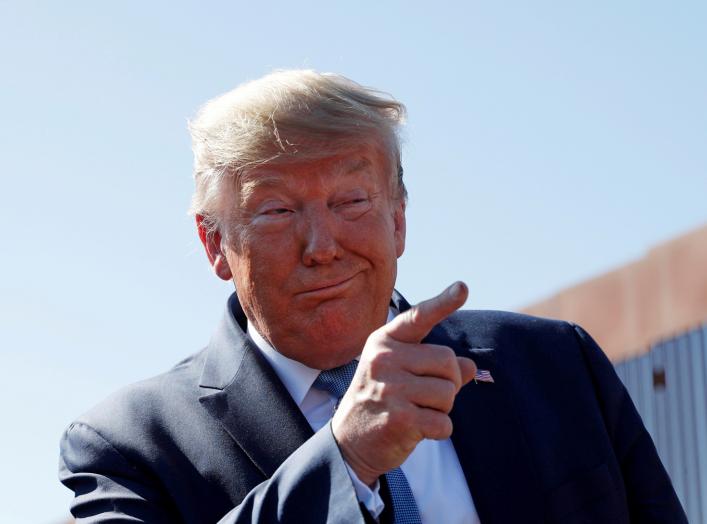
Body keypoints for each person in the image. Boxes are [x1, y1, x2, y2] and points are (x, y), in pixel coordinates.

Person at [59, 70, 686, 523]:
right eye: (276, 211)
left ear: (399, 218)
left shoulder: (555, 364)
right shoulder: (130, 445)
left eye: (351, 201)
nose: (322, 245)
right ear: (215, 244)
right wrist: (346, 458)